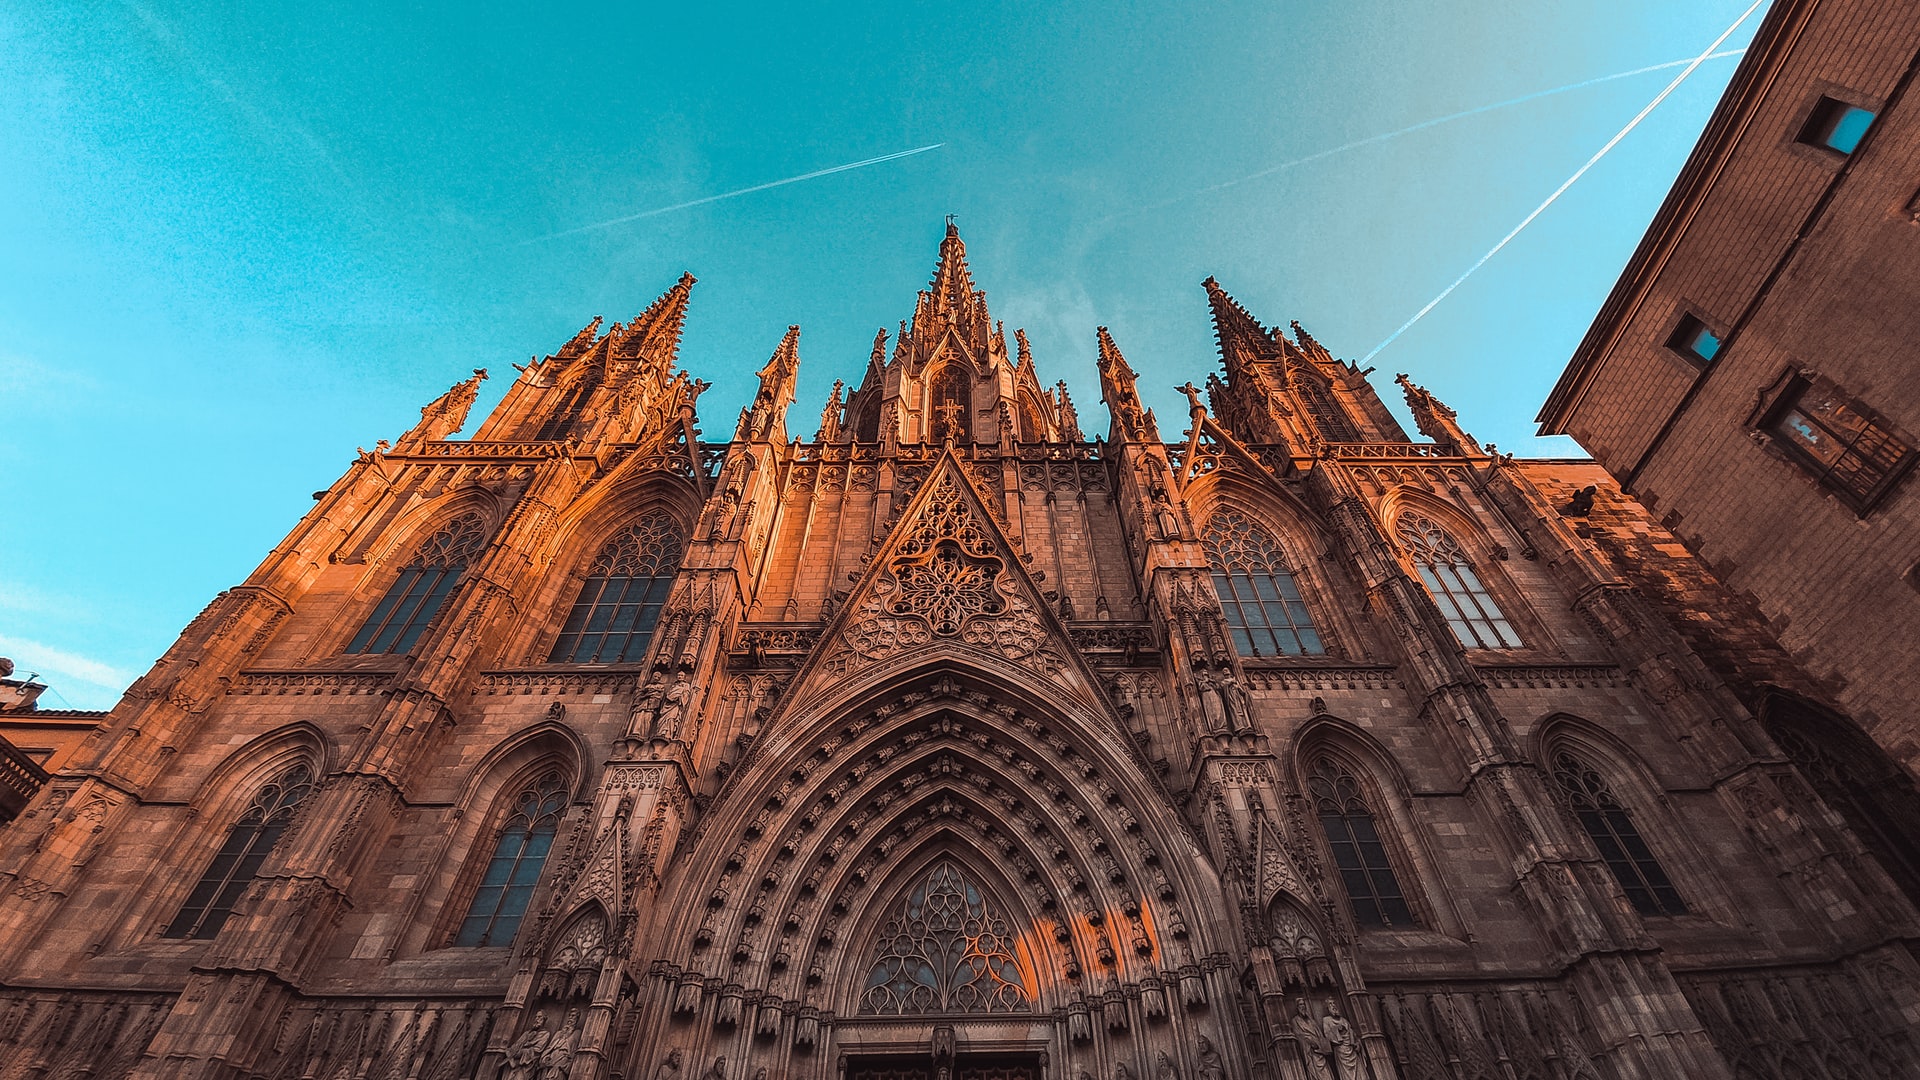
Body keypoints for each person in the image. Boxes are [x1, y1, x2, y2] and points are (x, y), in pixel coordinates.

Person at [1323, 998, 1365, 1080]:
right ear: (1327, 1008)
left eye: (1334, 1003)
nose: (1333, 1005)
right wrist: (1337, 1030)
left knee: (1360, 1074)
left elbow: (1353, 1034)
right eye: (1330, 1004)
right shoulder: (1326, 1020)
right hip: (1340, 1050)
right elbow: (1327, 1035)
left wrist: (1356, 1043)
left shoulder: (1344, 1020)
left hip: (1351, 1050)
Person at [1293, 998, 1334, 1080]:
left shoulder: (1311, 1020)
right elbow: (1299, 1035)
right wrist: (1310, 1041)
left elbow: (1319, 1033)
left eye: (1304, 1004)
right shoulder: (1295, 1021)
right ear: (1297, 1007)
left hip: (1320, 1051)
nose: (1303, 1006)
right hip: (1310, 1053)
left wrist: (1322, 1044)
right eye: (1300, 1004)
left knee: (1327, 1075)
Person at [502, 1013, 551, 1080]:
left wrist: (521, 1052)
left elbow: (537, 1050)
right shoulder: (526, 1033)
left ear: (544, 1020)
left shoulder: (545, 1034)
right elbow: (516, 1045)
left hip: (527, 1063)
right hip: (514, 1062)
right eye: (536, 1017)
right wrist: (511, 1051)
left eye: (539, 1017)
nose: (537, 1019)